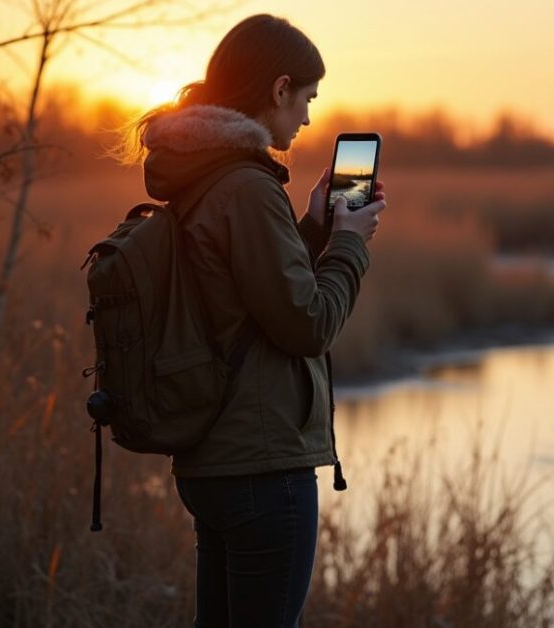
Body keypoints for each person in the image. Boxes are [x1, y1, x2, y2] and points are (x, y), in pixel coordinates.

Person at [120, 14, 386, 628]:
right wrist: (349, 244)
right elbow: (307, 325)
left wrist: (317, 227)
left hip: (213, 461)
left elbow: (241, 297)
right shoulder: (246, 185)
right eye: (307, 99)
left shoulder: (203, 175)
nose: (309, 118)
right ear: (279, 87)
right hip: (263, 468)